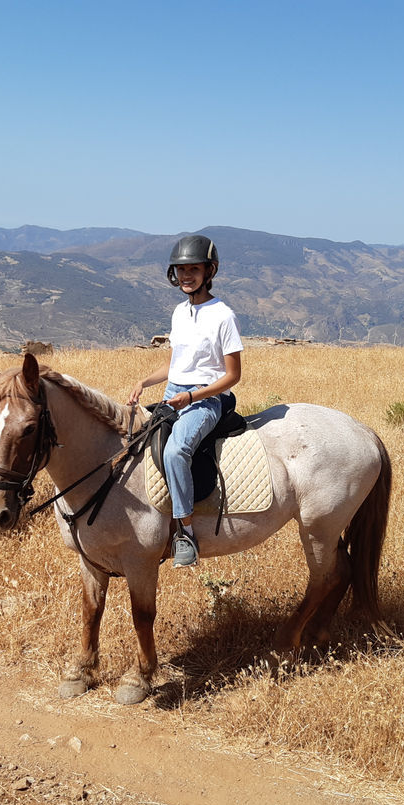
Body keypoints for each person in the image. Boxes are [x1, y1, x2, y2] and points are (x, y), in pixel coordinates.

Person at [127, 235, 243, 567]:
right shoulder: (180, 312)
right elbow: (174, 364)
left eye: (194, 269)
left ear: (210, 271)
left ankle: (185, 534)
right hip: (173, 392)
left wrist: (192, 396)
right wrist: (144, 381)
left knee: (177, 451)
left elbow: (232, 376)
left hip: (206, 399)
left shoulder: (223, 316)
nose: (186, 276)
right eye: (181, 270)